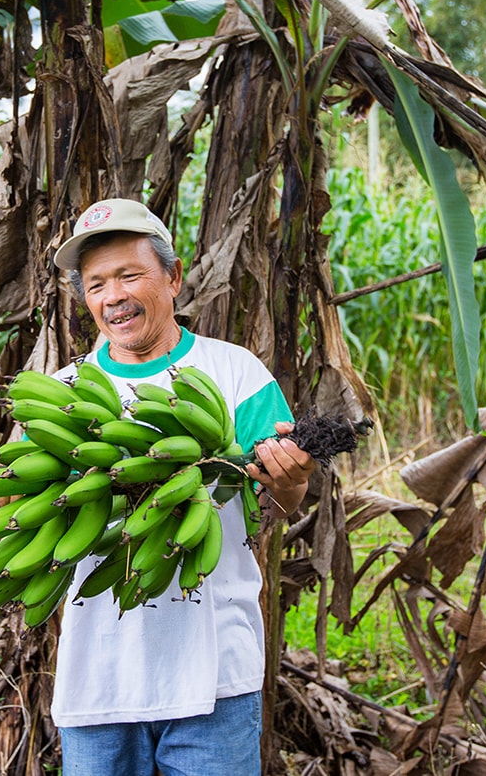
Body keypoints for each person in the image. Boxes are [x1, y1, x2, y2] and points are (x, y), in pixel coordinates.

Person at [48, 197, 317, 776]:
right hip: (98, 676)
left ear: (172, 277)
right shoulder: (65, 392)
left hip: (214, 675)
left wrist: (291, 482)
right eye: (96, 284)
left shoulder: (235, 373)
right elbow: (45, 518)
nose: (112, 297)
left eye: (129, 275)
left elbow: (276, 500)